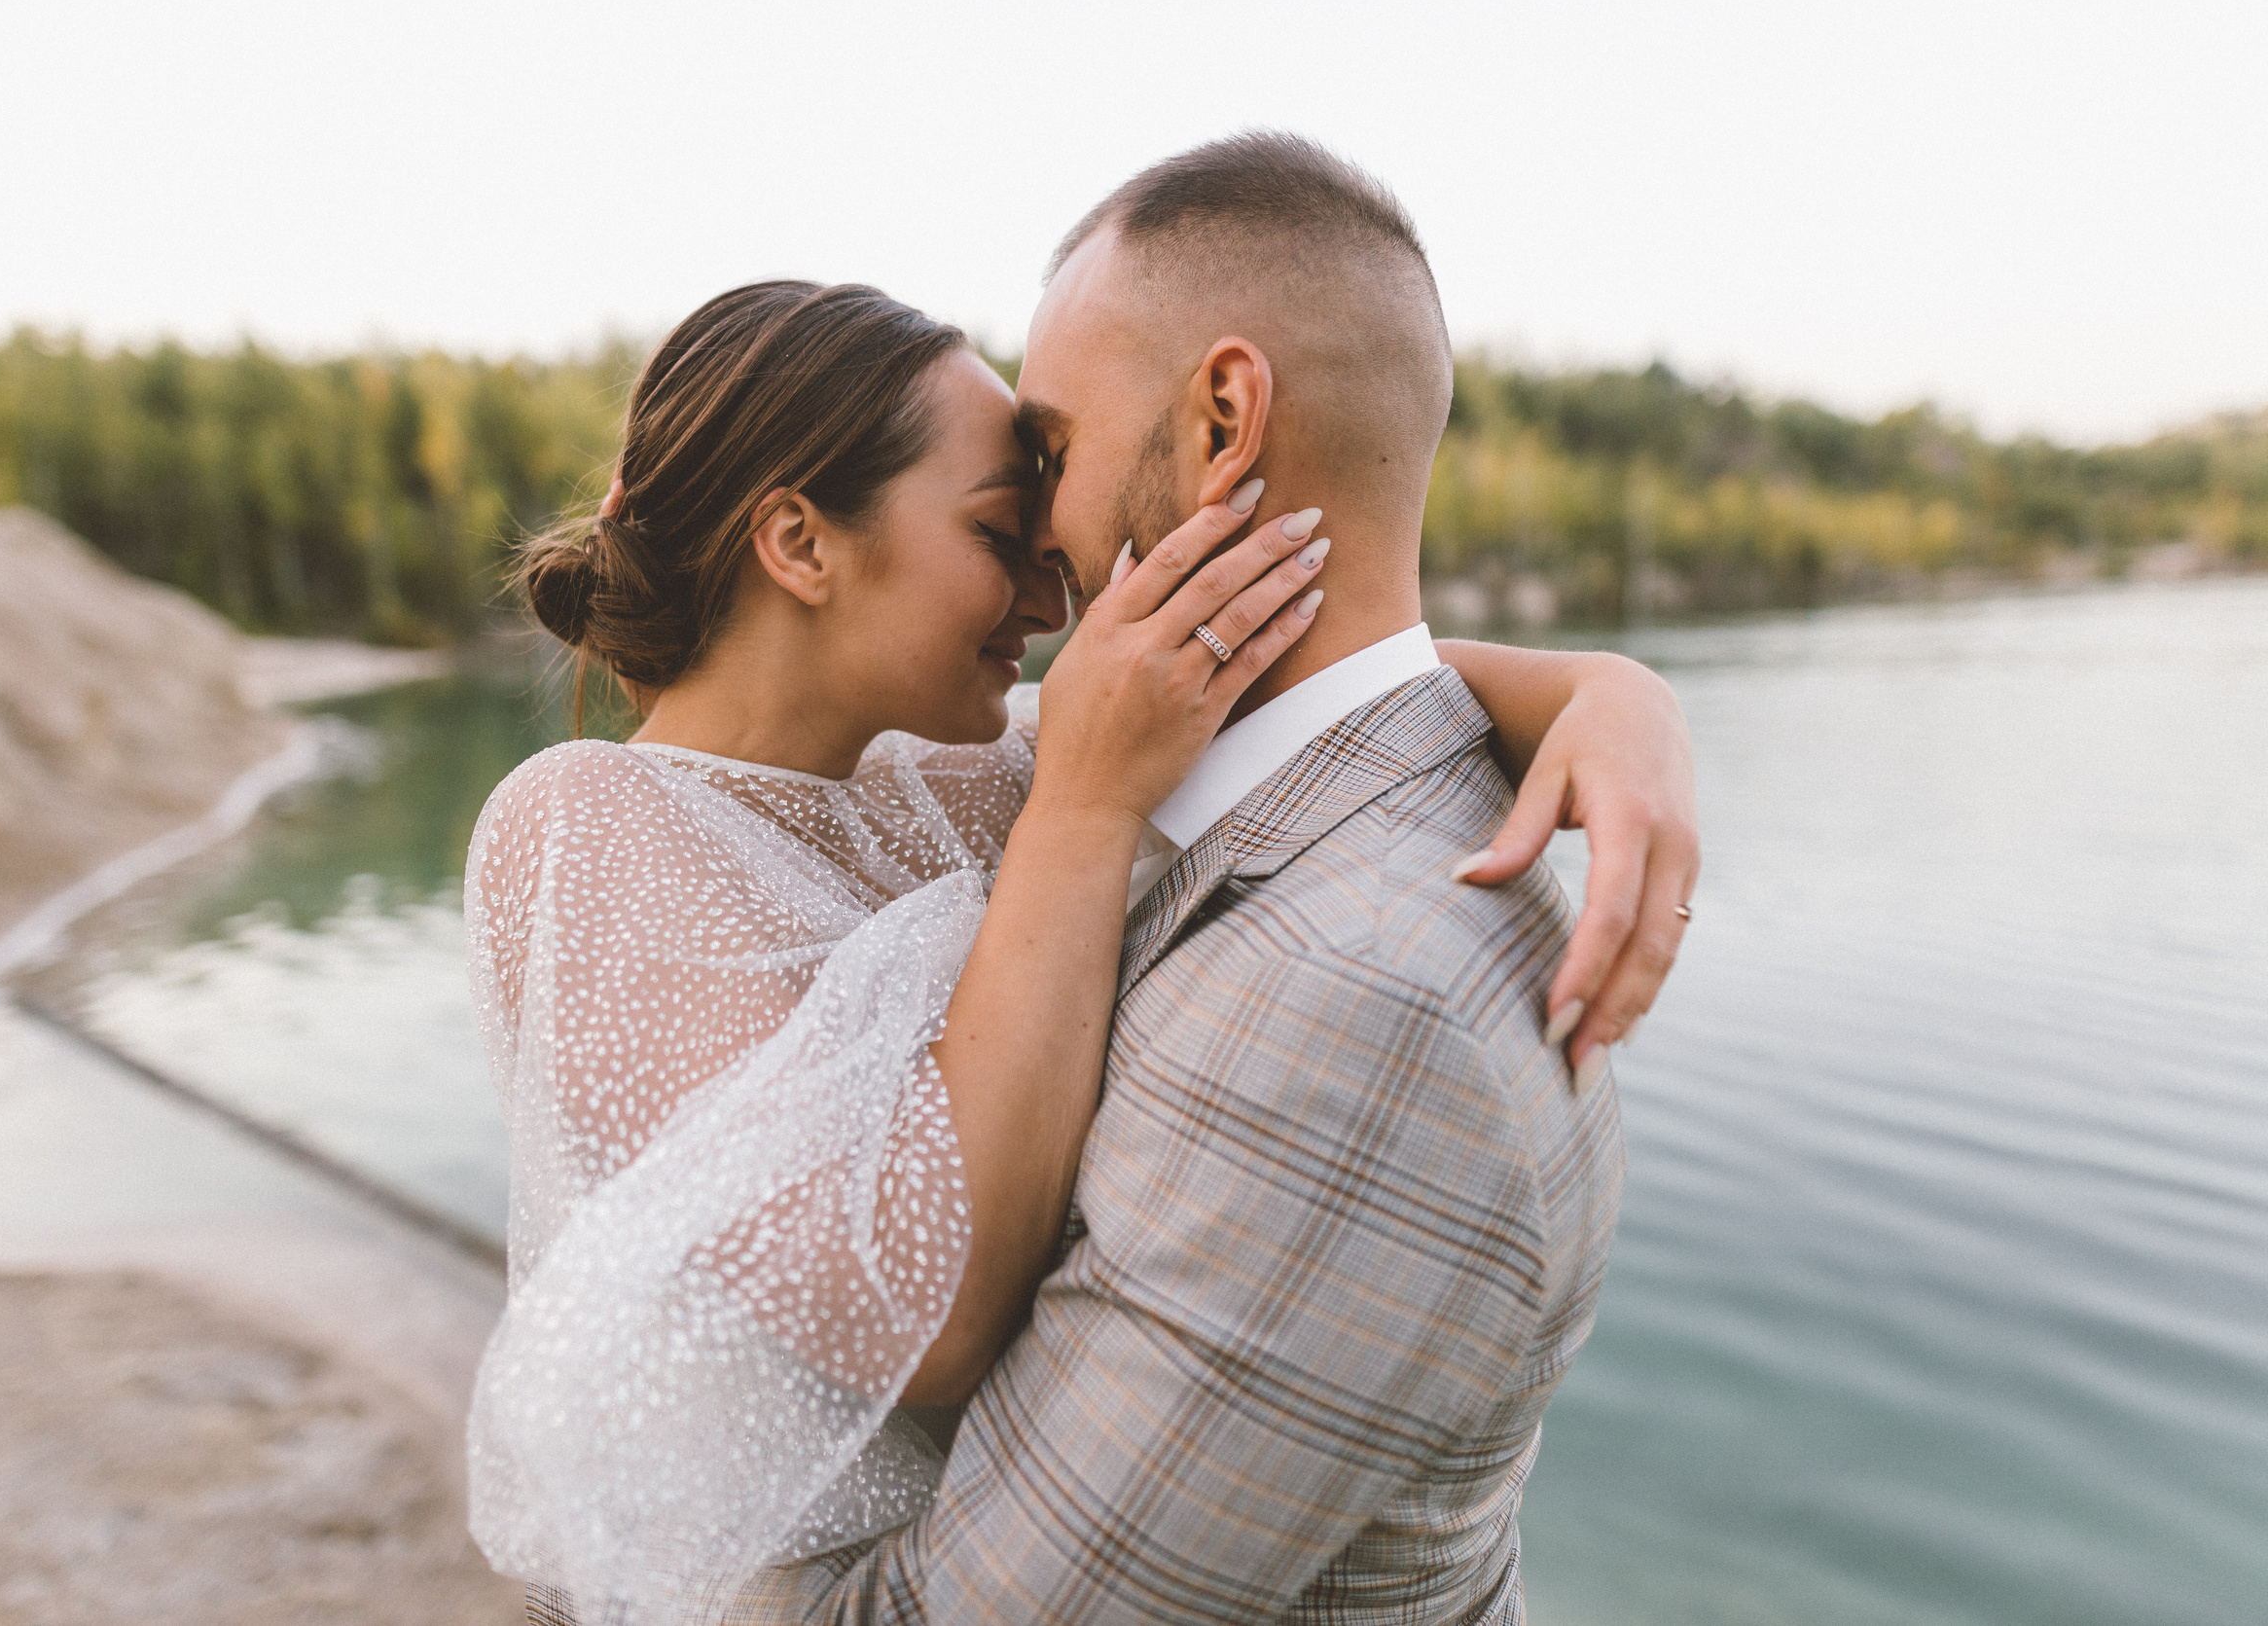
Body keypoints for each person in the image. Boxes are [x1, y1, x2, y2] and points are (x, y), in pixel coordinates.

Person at [468, 145, 1693, 1625]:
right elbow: (927, 1320)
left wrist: (1610, 696)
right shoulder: (601, 821)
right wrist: (1091, 803)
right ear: (798, 543)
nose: (1052, 585)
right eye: (1004, 522)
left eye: (1050, 469)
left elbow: (1338, 704)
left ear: (1225, 416)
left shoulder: (957, 781)